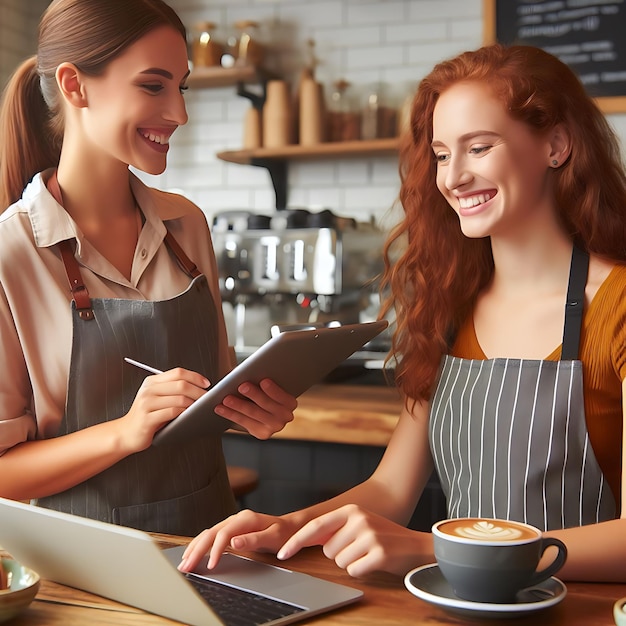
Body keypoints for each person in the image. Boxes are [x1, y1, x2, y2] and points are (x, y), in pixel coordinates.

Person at [179, 43, 626, 582]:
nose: (453, 178)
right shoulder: (450, 307)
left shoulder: (617, 305)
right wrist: (284, 529)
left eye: (479, 147)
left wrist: (429, 550)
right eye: (441, 155)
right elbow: (390, 489)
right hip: (459, 611)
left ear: (555, 144)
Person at [0, 0, 298, 536]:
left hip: (211, 548)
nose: (180, 114)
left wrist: (251, 409)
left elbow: (210, 397)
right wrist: (126, 431)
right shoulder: (11, 254)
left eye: (180, 87)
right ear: (75, 86)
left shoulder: (187, 225)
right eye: (153, 86)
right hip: (86, 579)